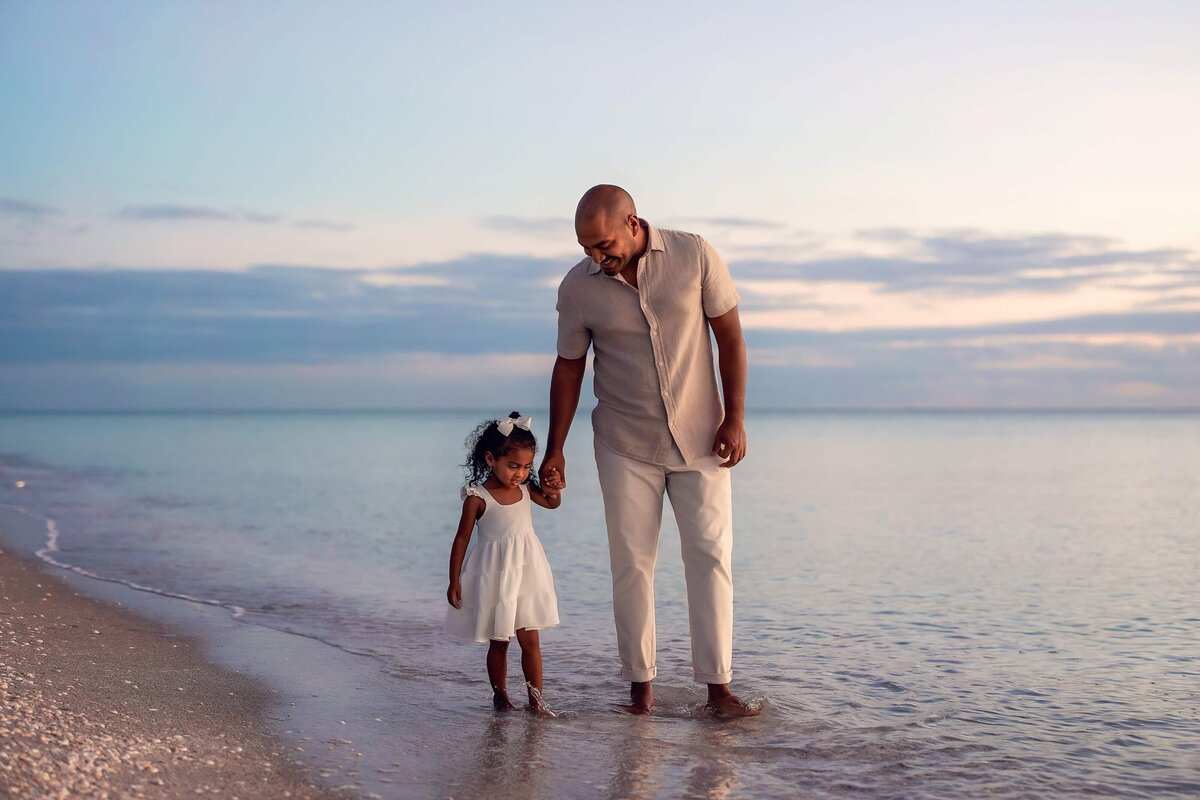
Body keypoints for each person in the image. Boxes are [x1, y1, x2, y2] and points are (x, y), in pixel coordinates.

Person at [540, 184, 759, 717]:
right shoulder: (577, 288)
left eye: (604, 244)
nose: (597, 257)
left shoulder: (694, 254)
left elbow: (729, 335)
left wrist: (735, 416)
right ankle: (640, 690)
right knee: (632, 564)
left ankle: (718, 691)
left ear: (633, 223)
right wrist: (555, 450)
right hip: (624, 440)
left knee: (710, 558)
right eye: (586, 248)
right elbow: (569, 366)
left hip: (702, 437)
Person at [447, 412, 563, 714]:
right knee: (499, 642)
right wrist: (454, 580)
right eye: (513, 466)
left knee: (531, 640)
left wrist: (554, 487)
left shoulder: (526, 489)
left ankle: (536, 702)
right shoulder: (478, 497)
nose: (520, 474)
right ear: (490, 458)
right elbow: (461, 540)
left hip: (527, 573)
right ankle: (500, 697)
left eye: (526, 467)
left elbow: (552, 503)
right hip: (495, 575)